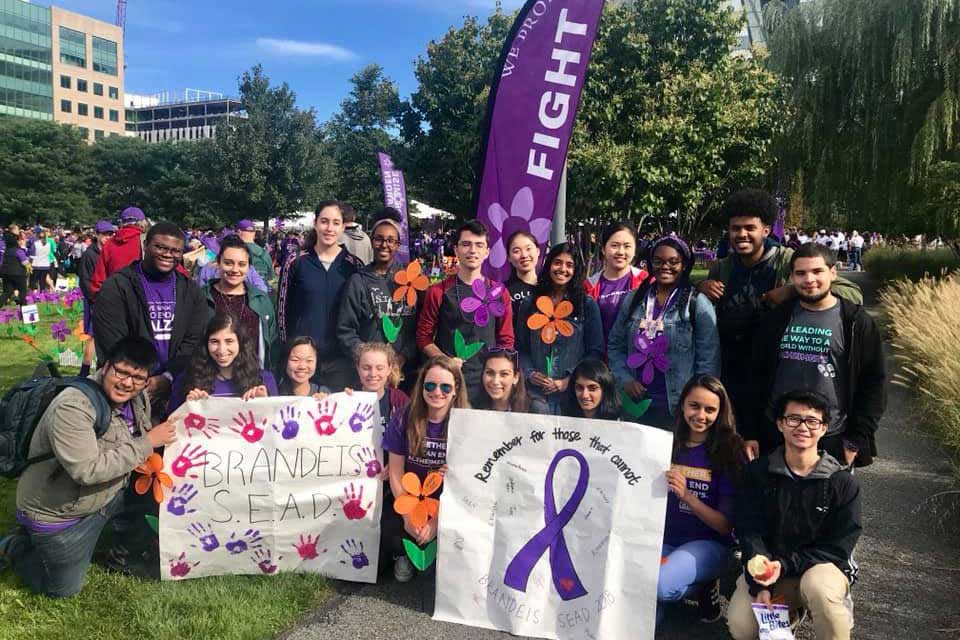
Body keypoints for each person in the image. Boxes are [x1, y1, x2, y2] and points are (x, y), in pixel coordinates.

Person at [0, 337, 177, 597]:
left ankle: (119, 541)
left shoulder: (138, 400)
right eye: (122, 371)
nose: (127, 383)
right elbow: (87, 470)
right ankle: (17, 545)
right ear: (106, 366)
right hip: (59, 513)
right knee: (61, 590)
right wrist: (148, 443)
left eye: (138, 378)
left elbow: (141, 438)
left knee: (153, 494)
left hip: (104, 495)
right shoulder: (74, 406)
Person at [698, 190, 862, 450]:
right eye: (735, 228)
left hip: (776, 372)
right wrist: (702, 287)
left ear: (765, 230)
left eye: (750, 227)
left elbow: (851, 293)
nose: (742, 234)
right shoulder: (723, 268)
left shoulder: (786, 260)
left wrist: (792, 289)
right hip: (732, 371)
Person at [727, 390, 861, 640]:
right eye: (793, 419)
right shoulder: (757, 473)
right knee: (742, 627)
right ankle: (789, 612)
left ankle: (828, 611)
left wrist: (787, 565)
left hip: (819, 570)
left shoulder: (843, 483)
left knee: (820, 591)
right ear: (780, 424)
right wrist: (761, 583)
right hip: (772, 570)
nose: (803, 427)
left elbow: (838, 548)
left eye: (812, 421)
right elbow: (749, 530)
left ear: (824, 428)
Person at [752, 243, 885, 463]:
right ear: (792, 277)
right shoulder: (776, 319)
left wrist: (857, 438)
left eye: (817, 271)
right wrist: (751, 432)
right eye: (801, 273)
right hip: (777, 434)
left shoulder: (855, 322)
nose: (809, 279)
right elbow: (755, 376)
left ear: (833, 273)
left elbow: (873, 382)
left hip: (831, 436)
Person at [93, 221, 209, 415]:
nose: (167, 254)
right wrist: (141, 379)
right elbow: (112, 340)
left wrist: (168, 377)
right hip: (126, 386)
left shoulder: (190, 291)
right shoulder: (118, 286)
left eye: (175, 251)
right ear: (145, 245)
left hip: (174, 388)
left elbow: (194, 340)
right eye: (160, 247)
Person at [609, 236, 720, 429]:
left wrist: (698, 404)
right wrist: (625, 380)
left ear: (684, 264)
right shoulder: (634, 300)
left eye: (673, 261)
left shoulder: (696, 304)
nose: (664, 267)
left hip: (678, 407)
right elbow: (614, 345)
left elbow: (708, 360)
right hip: (635, 405)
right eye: (658, 261)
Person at [657, 375, 742, 625]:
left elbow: (725, 526)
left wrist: (687, 496)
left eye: (710, 409)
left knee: (660, 585)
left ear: (720, 412)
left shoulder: (730, 451)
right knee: (634, 583)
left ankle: (705, 583)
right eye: (694, 406)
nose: (701, 415)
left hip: (708, 544)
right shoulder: (663, 443)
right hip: (664, 540)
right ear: (682, 404)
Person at [384, 355, 467, 582]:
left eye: (445, 386)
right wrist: (408, 517)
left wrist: (436, 523)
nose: (436, 392)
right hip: (410, 497)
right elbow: (395, 471)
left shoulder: (467, 424)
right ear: (421, 387)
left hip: (448, 502)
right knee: (388, 528)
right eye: (430, 385)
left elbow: (468, 483)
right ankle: (403, 554)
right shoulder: (402, 418)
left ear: (456, 390)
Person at [416, 220, 514, 404]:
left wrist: (497, 375)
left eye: (479, 245)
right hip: (447, 383)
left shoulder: (499, 293)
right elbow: (423, 337)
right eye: (466, 244)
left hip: (486, 385)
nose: (472, 250)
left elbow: (506, 340)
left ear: (487, 252)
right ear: (456, 249)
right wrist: (446, 362)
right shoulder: (438, 291)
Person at [278, 200, 363, 391]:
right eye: (324, 221)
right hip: (303, 362)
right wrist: (288, 350)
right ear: (315, 223)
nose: (329, 228)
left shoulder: (353, 266)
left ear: (343, 226)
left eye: (335, 222)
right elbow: (282, 313)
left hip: (340, 361)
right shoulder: (296, 261)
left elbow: (359, 315)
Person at [517, 243, 602, 413]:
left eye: (569, 265)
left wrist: (568, 381)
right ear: (548, 265)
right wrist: (530, 373)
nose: (562, 269)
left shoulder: (586, 305)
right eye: (557, 262)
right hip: (536, 396)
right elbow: (520, 347)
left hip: (572, 395)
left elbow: (596, 351)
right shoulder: (530, 304)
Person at [337, 208, 419, 381]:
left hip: (404, 372)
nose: (384, 245)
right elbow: (345, 330)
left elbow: (418, 329)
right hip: (368, 375)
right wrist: (370, 361)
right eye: (379, 239)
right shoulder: (357, 281)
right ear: (371, 241)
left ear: (398, 244)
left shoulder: (413, 279)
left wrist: (401, 358)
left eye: (390, 240)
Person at [169, 311, 278, 411]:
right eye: (214, 341)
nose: (221, 350)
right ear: (205, 344)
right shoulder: (186, 379)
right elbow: (171, 425)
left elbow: (277, 424)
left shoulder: (264, 380)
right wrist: (187, 408)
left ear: (241, 343)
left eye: (229, 341)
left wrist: (265, 404)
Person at [201, 235, 280, 371]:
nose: (235, 270)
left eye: (242, 264)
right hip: (211, 376)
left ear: (249, 267)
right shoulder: (201, 297)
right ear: (218, 263)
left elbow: (272, 341)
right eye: (228, 263)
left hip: (252, 377)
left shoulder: (261, 299)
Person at [583, 222, 649, 342]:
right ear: (603, 249)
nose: (620, 252)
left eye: (627, 246)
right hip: (601, 358)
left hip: (638, 355)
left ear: (634, 250)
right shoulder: (589, 286)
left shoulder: (647, 281)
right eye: (614, 245)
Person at [77, 221, 116, 377]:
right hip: (95, 299)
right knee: (93, 337)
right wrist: (94, 298)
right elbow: (85, 280)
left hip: (110, 299)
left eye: (110, 234)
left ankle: (104, 368)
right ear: (97, 235)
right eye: (105, 234)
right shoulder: (89, 255)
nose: (108, 237)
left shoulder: (110, 252)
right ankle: (84, 371)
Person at [89, 207, 150, 300]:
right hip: (142, 299)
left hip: (115, 299)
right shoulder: (147, 242)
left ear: (122, 223)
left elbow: (99, 280)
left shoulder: (109, 244)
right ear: (142, 222)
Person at [353, 342, 410, 432]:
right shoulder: (348, 400)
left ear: (389, 369)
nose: (373, 374)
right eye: (366, 368)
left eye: (379, 368)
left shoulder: (400, 400)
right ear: (358, 368)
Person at [473, 347, 547, 414]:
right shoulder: (473, 407)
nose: (495, 381)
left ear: (516, 377)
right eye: (490, 373)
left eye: (504, 374)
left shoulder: (535, 408)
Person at [504, 231, 540, 329]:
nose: (524, 255)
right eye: (516, 251)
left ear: (537, 251)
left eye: (528, 249)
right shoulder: (502, 291)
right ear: (509, 257)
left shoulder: (550, 287)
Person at [235, 219, 276, 285]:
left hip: (239, 291)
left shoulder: (233, 251)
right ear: (254, 233)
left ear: (239, 232)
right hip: (261, 293)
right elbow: (270, 278)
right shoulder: (264, 253)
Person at [1, 225, 29, 307]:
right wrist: (23, 248)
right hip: (18, 274)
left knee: (7, 292)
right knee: (23, 292)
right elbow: (25, 262)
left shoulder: (7, 251)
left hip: (6, 273)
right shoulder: (18, 251)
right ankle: (24, 310)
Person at [28, 227, 56, 292]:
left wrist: (29, 264)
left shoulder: (35, 244)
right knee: (42, 282)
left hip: (36, 265)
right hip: (45, 265)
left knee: (34, 282)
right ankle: (42, 296)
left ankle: (33, 296)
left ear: (37, 235)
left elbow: (32, 256)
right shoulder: (48, 244)